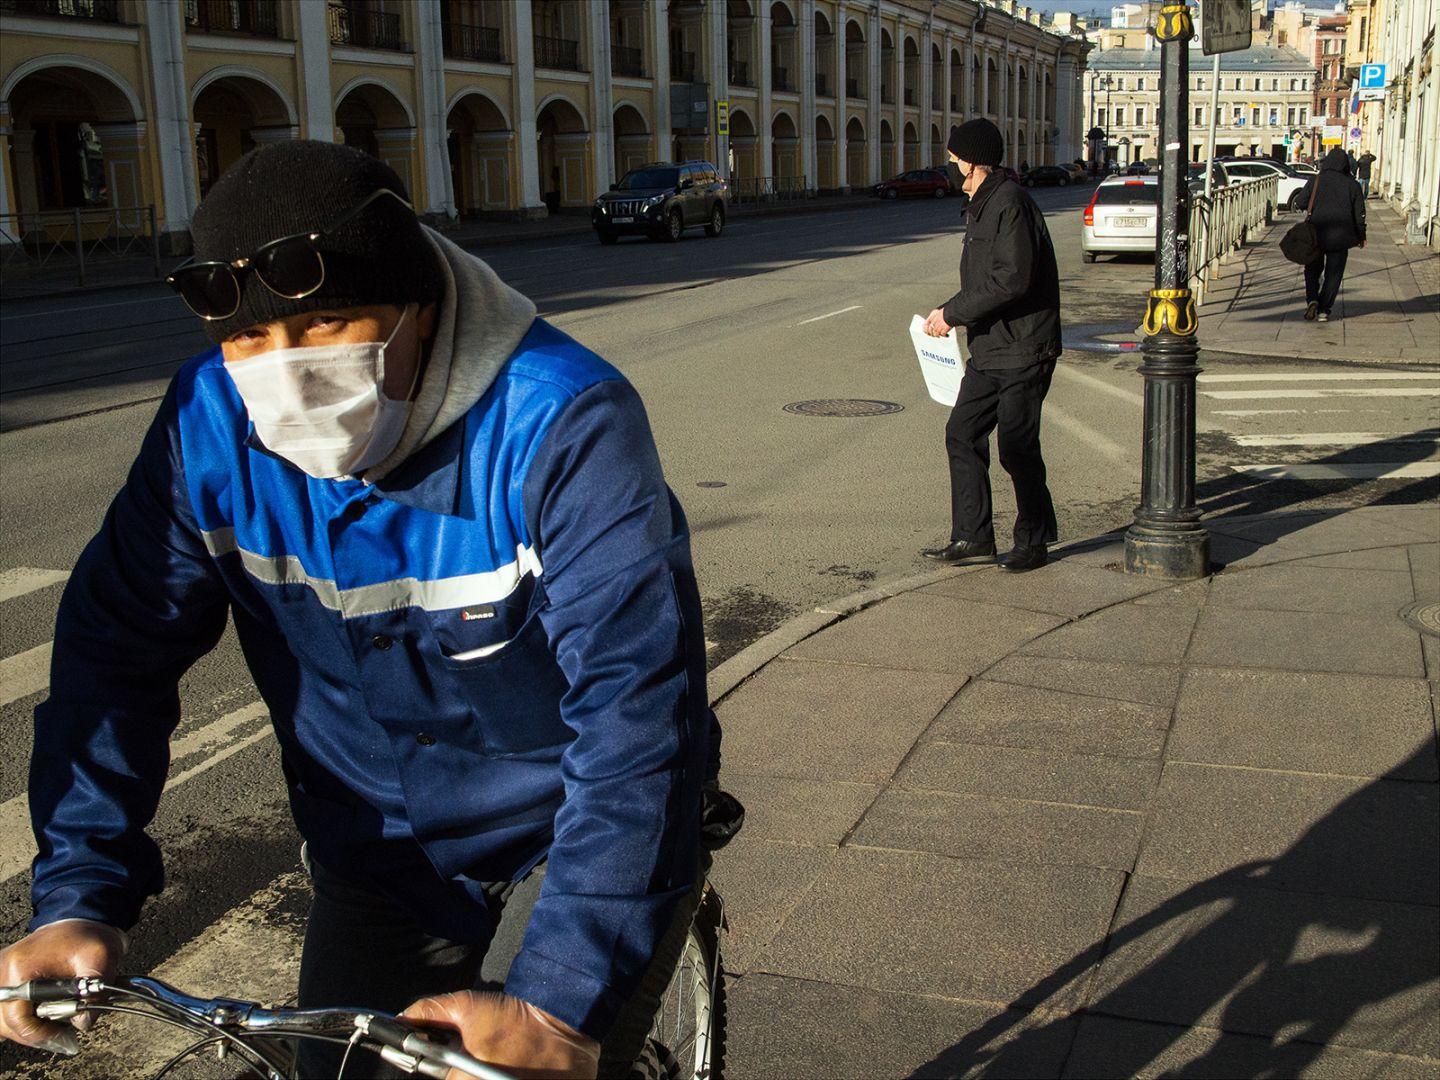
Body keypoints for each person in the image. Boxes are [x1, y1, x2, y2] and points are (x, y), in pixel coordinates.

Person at [0, 140, 738, 1079]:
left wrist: (558, 1000)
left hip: (569, 830)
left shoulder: (562, 419)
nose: (283, 373)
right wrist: (77, 894)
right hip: (375, 855)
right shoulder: (207, 421)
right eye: (246, 340)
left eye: (327, 323)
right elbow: (114, 653)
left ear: (418, 307)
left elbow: (638, 710)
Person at [920, 119, 1061, 574]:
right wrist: (954, 312)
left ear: (973, 161)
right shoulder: (983, 204)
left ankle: (1034, 539)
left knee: (1017, 448)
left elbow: (1011, 279)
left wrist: (951, 313)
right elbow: (988, 279)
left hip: (1023, 347)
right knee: (961, 433)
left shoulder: (1010, 204)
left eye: (955, 157)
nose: (951, 165)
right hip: (991, 349)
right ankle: (974, 537)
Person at [1300, 146, 1366, 323]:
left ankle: (1312, 298)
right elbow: (1359, 213)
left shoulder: (1316, 180)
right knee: (1334, 274)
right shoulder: (1352, 185)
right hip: (1341, 236)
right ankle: (1324, 309)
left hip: (1316, 233)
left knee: (1312, 269)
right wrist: (1361, 235)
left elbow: (1300, 201)